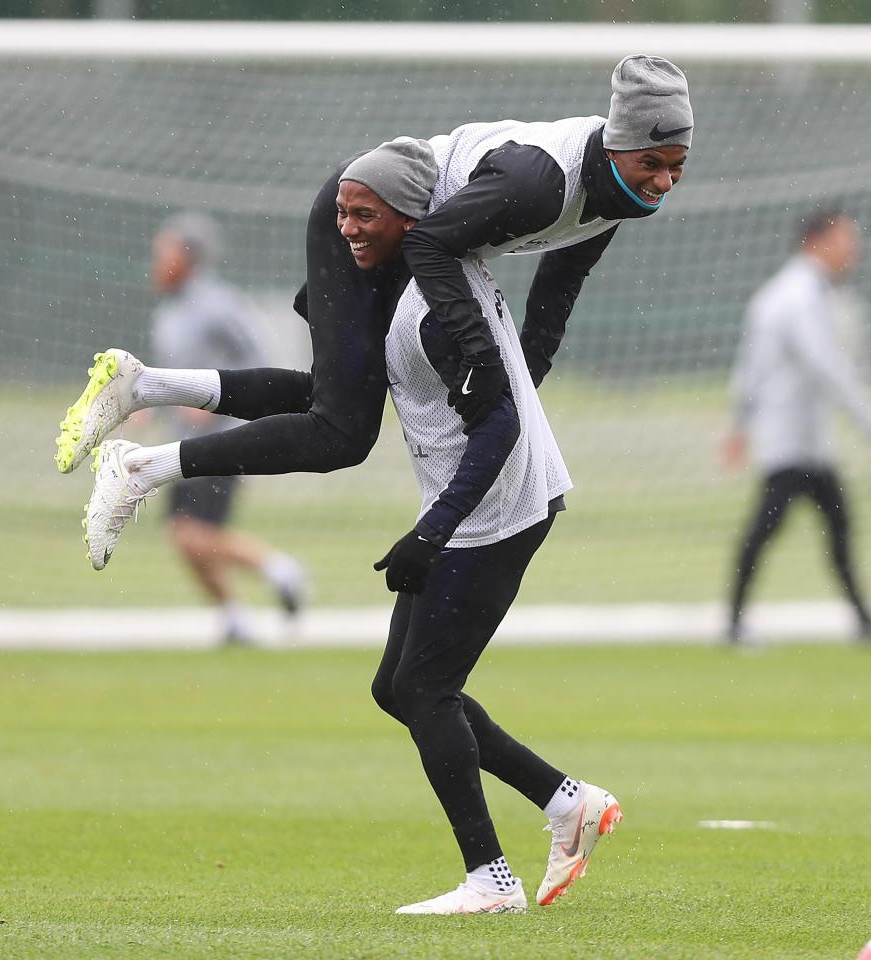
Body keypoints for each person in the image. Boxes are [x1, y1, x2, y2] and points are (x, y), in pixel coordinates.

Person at [55, 54, 693, 911]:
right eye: (650, 160)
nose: (662, 180)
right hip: (479, 482)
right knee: (395, 673)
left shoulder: (439, 297)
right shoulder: (461, 248)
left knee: (417, 673)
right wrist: (483, 378)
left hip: (493, 509)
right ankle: (566, 802)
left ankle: (491, 879)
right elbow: (427, 297)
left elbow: (515, 371)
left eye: (673, 163)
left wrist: (491, 403)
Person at [148, 212, 307, 642]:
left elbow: (258, 356)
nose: (153, 262)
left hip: (221, 443)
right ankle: (235, 617)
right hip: (182, 443)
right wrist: (145, 407)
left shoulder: (218, 304)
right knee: (183, 537)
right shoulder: (169, 313)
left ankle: (279, 570)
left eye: (161, 252)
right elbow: (175, 379)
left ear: (186, 257)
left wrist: (219, 404)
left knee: (193, 534)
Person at [723, 208, 871, 645]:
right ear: (817, 241)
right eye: (846, 238)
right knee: (765, 529)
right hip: (786, 440)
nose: (854, 248)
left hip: (812, 442)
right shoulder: (796, 296)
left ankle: (861, 621)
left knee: (839, 527)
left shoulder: (821, 293)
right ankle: (733, 623)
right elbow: (825, 366)